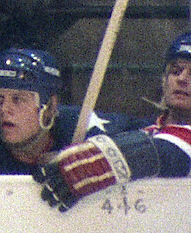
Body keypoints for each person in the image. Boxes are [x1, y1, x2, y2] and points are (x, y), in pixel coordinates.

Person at [33, 31, 191, 211]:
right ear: (163, 80)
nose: (182, 79)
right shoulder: (149, 131)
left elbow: (161, 151)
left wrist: (84, 160)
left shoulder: (171, 143)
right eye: (175, 71)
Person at [0, 48, 153, 175]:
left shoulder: (83, 127)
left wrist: (99, 157)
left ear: (50, 107)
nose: (4, 109)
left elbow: (159, 135)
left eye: (18, 99)